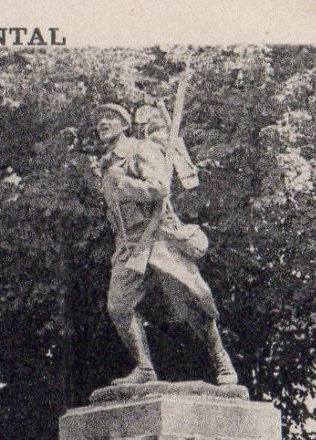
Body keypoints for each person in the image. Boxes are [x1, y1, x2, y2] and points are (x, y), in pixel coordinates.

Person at [95, 102, 237, 387]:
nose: (103, 122)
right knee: (118, 307)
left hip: (157, 237)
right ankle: (145, 368)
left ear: (125, 126)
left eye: (111, 117)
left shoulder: (140, 150)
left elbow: (159, 186)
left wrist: (125, 186)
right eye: (100, 119)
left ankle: (221, 359)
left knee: (189, 300)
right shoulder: (107, 163)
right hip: (129, 245)